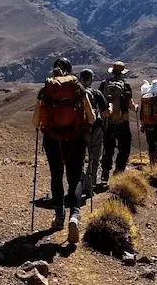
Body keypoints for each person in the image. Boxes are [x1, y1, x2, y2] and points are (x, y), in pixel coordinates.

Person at [32, 58, 94, 243]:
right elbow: (91, 118)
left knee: (56, 175)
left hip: (53, 141)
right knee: (74, 178)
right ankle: (74, 216)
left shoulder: (46, 91)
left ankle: (59, 217)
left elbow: (35, 122)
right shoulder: (78, 89)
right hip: (75, 140)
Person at [98, 61, 135, 184]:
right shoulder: (126, 85)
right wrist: (136, 107)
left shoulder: (104, 84)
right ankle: (119, 170)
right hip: (123, 121)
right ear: (122, 73)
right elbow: (130, 105)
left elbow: (99, 102)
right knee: (124, 147)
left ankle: (104, 173)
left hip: (108, 121)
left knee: (108, 146)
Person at [79, 69, 110, 195]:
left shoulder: (75, 93)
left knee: (79, 159)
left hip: (79, 130)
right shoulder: (96, 93)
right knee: (94, 158)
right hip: (96, 129)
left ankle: (80, 183)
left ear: (80, 79)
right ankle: (89, 184)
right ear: (91, 79)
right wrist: (112, 107)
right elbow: (106, 112)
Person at [139, 79, 157, 165]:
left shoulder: (144, 97)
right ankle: (155, 157)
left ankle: (152, 163)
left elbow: (141, 112)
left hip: (147, 124)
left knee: (151, 144)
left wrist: (142, 125)